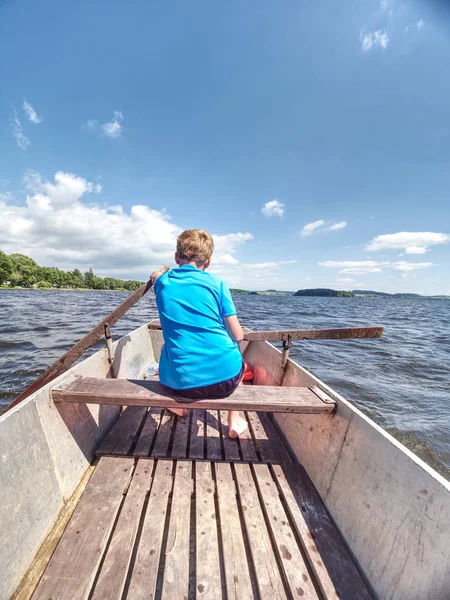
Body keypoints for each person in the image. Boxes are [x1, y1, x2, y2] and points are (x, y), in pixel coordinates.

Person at [151, 229, 248, 438]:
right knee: (236, 352)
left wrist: (156, 275)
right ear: (209, 261)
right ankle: (234, 421)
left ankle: (177, 406)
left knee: (166, 351)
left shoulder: (163, 282)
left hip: (181, 385)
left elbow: (155, 276)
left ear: (176, 257)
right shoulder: (218, 284)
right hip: (226, 381)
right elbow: (238, 335)